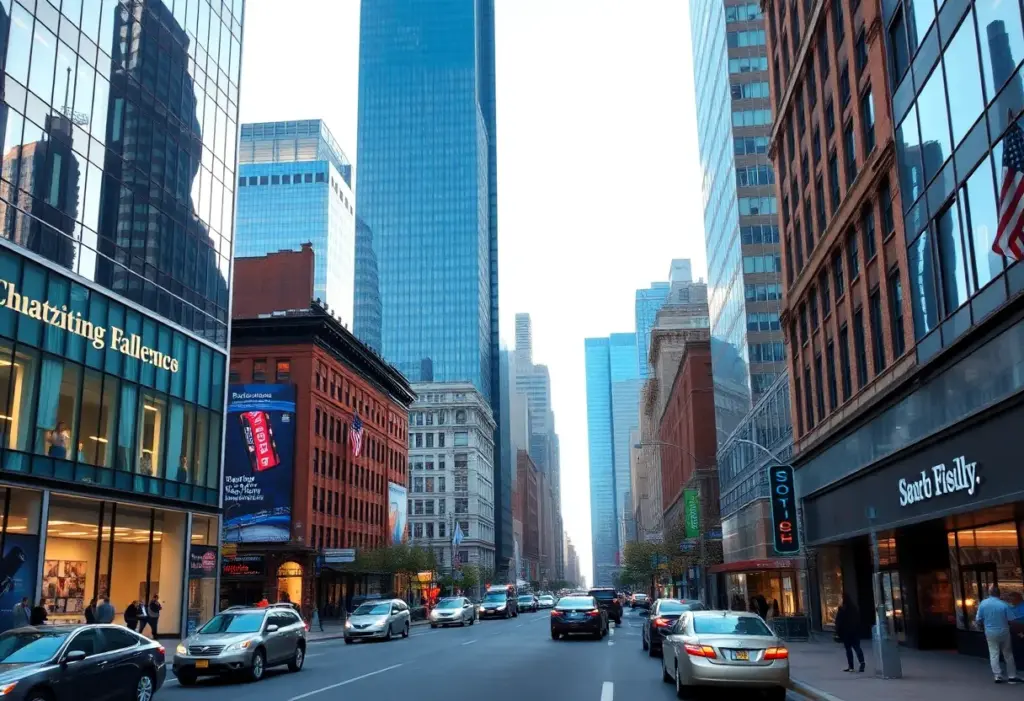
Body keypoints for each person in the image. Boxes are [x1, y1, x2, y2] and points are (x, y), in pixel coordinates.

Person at [976, 585, 1021, 684]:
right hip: (1004, 630)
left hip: (990, 631)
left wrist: (982, 626)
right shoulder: (1004, 604)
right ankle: (1012, 675)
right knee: (1008, 653)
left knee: (993, 653)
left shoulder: (983, 604)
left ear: (989, 593)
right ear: (999, 593)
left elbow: (978, 619)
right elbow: (1012, 619)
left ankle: (997, 675)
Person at [834, 593, 865, 673]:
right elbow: (858, 620)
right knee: (857, 647)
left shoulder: (842, 609)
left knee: (848, 649)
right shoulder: (854, 608)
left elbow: (838, 622)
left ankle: (851, 667)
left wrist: (837, 631)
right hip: (854, 631)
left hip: (846, 633)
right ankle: (862, 662)